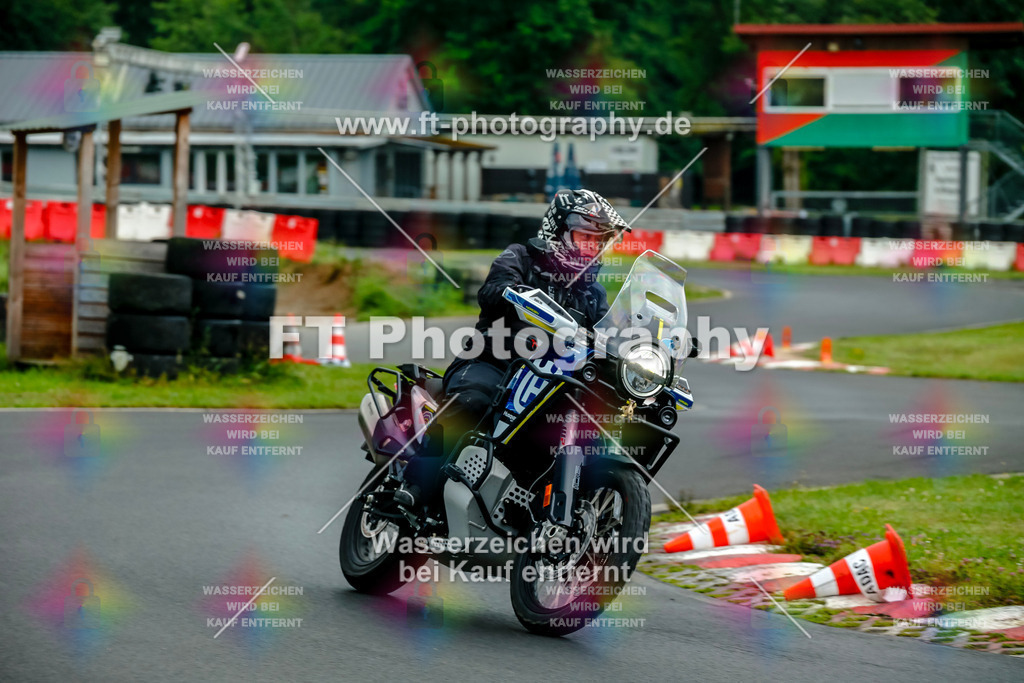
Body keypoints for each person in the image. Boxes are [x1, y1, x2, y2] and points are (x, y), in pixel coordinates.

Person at [398, 189, 629, 507]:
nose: (592, 249)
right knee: (472, 402)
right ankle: (415, 485)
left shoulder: (594, 294)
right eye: (584, 238)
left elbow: (611, 336)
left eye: (598, 242)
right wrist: (508, 290)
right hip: (493, 360)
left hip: (550, 382)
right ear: (558, 231)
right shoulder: (521, 257)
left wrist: (639, 351)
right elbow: (492, 289)